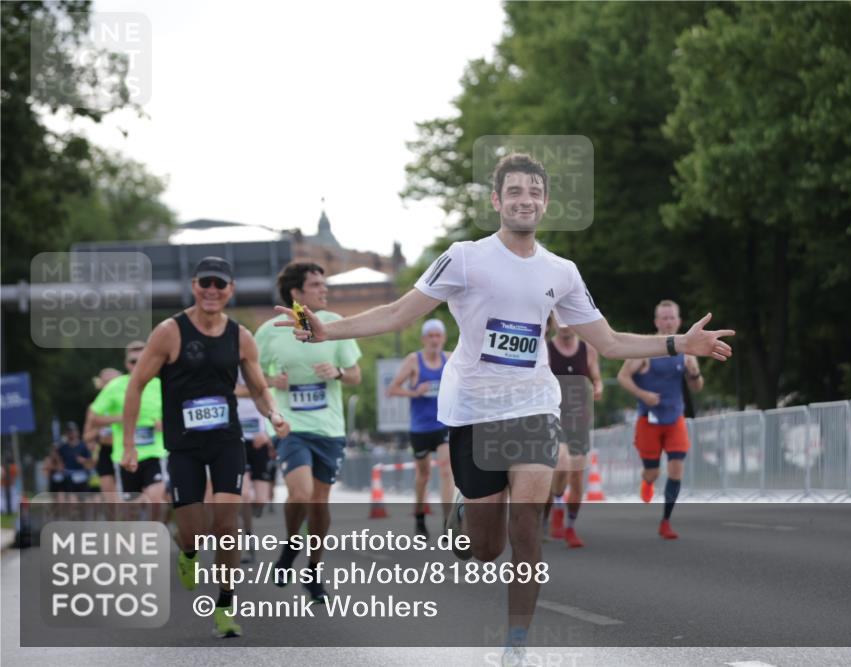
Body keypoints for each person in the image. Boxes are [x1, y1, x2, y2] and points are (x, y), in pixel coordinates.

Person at [276, 153, 734, 665]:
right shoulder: (465, 258)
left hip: (534, 407)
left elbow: (607, 342)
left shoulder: (560, 272)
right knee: (486, 548)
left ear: (546, 202)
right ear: (497, 201)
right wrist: (327, 328)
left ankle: (516, 645)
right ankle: (469, 514)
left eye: (534, 192)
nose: (525, 200)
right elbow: (397, 312)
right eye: (514, 191)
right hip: (475, 410)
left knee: (526, 526)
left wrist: (678, 344)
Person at [121, 256, 290, 639]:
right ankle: (189, 554)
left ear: (230, 290)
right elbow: (136, 385)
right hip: (184, 447)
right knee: (193, 532)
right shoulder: (169, 332)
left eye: (220, 284)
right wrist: (129, 445)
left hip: (227, 441)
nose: (212, 290)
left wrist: (274, 415)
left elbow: (260, 389)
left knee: (226, 525)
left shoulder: (241, 337)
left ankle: (226, 606)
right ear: (194, 286)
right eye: (205, 283)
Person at [255, 261, 361, 604]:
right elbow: (247, 381)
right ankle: (290, 548)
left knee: (318, 504)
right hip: (291, 427)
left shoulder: (334, 325)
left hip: (329, 429)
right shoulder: (270, 331)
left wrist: (338, 372)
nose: (324, 290)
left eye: (323, 283)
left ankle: (313, 570)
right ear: (296, 293)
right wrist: (272, 381)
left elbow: (356, 375)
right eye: (316, 285)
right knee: (299, 494)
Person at [617, 299, 705, 540]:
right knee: (653, 473)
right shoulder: (645, 348)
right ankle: (647, 481)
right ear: (656, 322)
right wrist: (642, 394)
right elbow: (623, 376)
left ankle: (666, 521)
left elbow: (697, 387)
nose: (668, 322)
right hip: (649, 420)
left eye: (672, 317)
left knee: (677, 469)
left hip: (675, 417)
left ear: (678, 321)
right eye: (663, 318)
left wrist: (694, 371)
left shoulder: (686, 350)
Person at [386, 318, 455, 536]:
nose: (434, 340)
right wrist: (414, 392)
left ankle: (448, 523)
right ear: (424, 339)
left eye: (438, 335)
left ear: (443, 338)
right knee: (423, 475)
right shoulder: (413, 361)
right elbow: (392, 389)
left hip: (443, 424)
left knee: (446, 471)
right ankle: (419, 515)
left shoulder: (451, 359)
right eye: (430, 336)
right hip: (420, 428)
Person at [544, 314, 603, 548]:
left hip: (579, 420)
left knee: (577, 476)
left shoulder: (588, 350)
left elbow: (596, 378)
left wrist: (597, 388)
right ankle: (555, 507)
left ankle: (570, 526)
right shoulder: (546, 350)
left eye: (569, 320)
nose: (565, 325)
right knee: (561, 463)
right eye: (560, 320)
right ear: (554, 322)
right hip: (554, 418)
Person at [87, 343, 167, 506]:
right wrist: (120, 418)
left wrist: (164, 424)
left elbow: (176, 415)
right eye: (133, 361)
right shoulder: (115, 386)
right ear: (126, 363)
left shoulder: (160, 385)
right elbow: (93, 418)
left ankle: (156, 530)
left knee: (155, 498)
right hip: (126, 456)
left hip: (155, 453)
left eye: (141, 360)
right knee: (132, 508)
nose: (137, 365)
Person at [235, 371, 276, 564]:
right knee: (243, 495)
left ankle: (249, 521)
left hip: (259, 442)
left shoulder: (259, 369)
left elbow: (273, 400)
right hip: (236, 441)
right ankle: (246, 538)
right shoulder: (226, 366)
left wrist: (268, 434)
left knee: (260, 499)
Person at [84, 367, 123, 496]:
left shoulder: (129, 402)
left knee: (128, 495)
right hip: (106, 452)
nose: (110, 386)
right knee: (109, 496)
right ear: (100, 384)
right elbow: (86, 437)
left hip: (126, 450)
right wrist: (102, 427)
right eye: (107, 382)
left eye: (114, 381)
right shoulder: (94, 408)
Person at [56, 422, 93, 494]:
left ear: (77, 432)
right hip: (68, 478)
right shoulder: (62, 448)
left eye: (72, 431)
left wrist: (83, 461)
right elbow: (59, 461)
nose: (71, 433)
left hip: (82, 477)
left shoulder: (83, 446)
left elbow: (90, 463)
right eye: (69, 431)